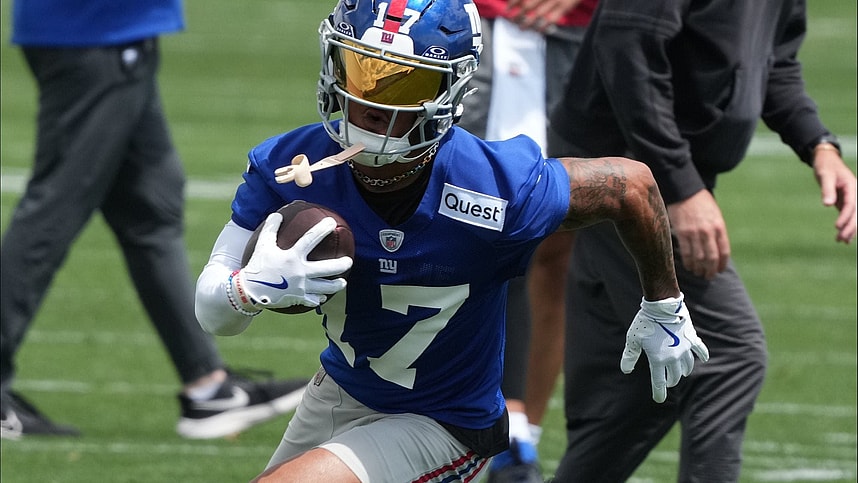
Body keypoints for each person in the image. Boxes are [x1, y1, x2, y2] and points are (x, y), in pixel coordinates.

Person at [193, 0, 709, 481]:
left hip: (442, 421)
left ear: (448, 92)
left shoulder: (496, 187)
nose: (368, 101)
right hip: (342, 391)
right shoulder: (289, 167)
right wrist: (246, 288)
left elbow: (630, 185)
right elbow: (214, 313)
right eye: (360, 71)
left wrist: (664, 301)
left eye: (400, 85)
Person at [537, 0, 858, 481]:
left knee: (646, 385)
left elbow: (775, 61)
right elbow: (627, 46)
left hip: (655, 168)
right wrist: (680, 187)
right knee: (728, 355)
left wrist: (819, 144)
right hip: (617, 175)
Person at [0, 0, 309, 441]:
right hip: (92, 31)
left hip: (109, 31)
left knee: (152, 206)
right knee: (54, 209)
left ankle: (208, 390)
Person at [456, 0, 596, 479]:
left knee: (559, 238)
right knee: (465, 220)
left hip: (579, 30)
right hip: (482, 26)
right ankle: (441, 421)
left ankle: (519, 440)